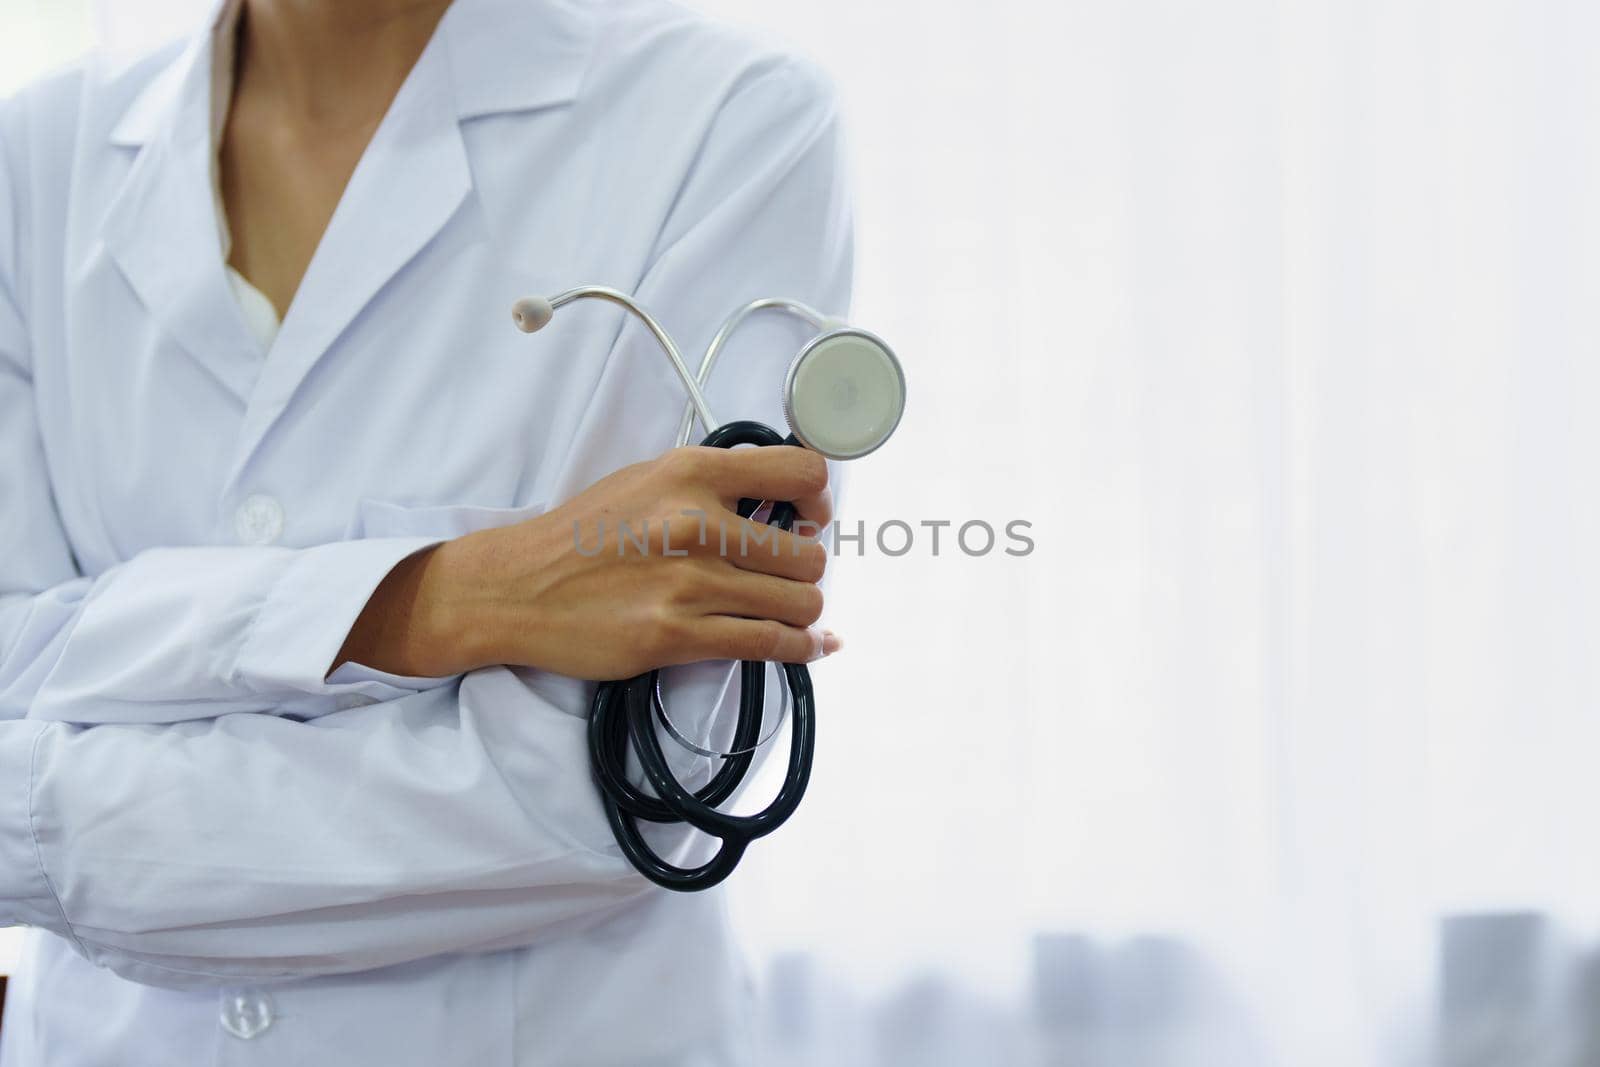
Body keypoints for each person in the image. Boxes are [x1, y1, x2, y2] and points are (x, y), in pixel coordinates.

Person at [0, 0, 850, 1061]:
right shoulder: (30, 158)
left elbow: (637, 787)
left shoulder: (727, 121)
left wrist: (38, 822)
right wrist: (441, 598)